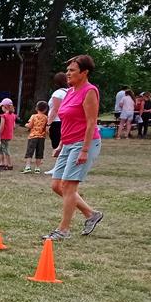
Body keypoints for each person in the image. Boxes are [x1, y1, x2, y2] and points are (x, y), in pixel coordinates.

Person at [42, 55, 103, 242]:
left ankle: (63, 230)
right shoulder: (69, 91)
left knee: (68, 186)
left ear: (84, 72)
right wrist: (61, 144)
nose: (68, 73)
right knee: (56, 185)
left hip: (83, 143)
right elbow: (66, 121)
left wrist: (84, 150)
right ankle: (91, 214)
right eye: (67, 70)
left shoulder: (89, 91)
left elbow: (91, 122)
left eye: (72, 70)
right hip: (68, 144)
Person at [22, 100, 50, 173]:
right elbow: (47, 128)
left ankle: (28, 167)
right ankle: (37, 168)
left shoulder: (33, 116)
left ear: (36, 108)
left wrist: (26, 125)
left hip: (33, 137)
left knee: (29, 152)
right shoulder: (46, 118)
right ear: (45, 109)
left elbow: (30, 126)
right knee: (39, 152)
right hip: (41, 137)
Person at [46, 71, 67, 150]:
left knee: (57, 147)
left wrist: (48, 124)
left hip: (56, 122)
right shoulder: (70, 92)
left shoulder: (58, 93)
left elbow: (55, 109)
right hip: (66, 122)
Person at [0, 98, 16, 170]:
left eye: (2, 106)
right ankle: (1, 163)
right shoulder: (13, 115)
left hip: (4, 135)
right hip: (9, 135)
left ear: (5, 107)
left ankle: (9, 164)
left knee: (5, 150)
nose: (1, 108)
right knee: (1, 149)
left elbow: (2, 127)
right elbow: (14, 126)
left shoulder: (3, 116)